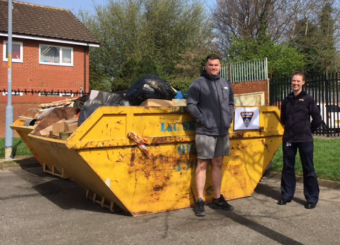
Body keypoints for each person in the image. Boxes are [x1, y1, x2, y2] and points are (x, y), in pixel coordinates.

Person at [187, 54, 234, 217]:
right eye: (211, 65)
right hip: (205, 131)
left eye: (216, 65)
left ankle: (217, 198)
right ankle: (200, 200)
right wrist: (203, 120)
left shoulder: (225, 84)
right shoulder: (198, 84)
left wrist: (229, 118)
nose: (214, 67)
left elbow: (231, 103)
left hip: (222, 131)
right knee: (202, 164)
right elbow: (191, 104)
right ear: (206, 66)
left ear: (220, 66)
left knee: (218, 163)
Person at [279, 71, 322, 209]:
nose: (295, 83)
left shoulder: (308, 99)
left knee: (308, 169)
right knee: (287, 168)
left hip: (305, 140)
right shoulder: (286, 100)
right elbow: (282, 119)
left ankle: (311, 198)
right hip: (289, 139)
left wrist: (308, 131)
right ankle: (286, 195)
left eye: (298, 81)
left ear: (303, 82)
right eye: (294, 81)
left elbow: (317, 119)